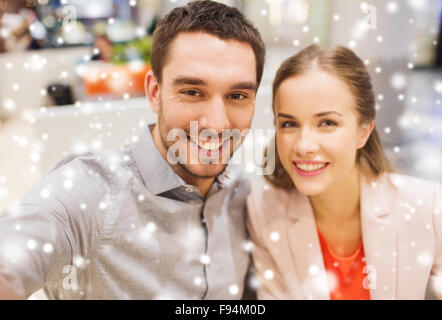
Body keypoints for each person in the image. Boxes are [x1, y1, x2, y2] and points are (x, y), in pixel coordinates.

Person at [0, 0, 265, 299]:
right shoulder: (88, 194)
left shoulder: (240, 191)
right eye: (192, 92)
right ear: (154, 92)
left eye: (238, 95)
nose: (217, 124)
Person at [246, 45, 442, 300]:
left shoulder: (428, 207)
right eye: (289, 124)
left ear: (364, 131)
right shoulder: (263, 212)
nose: (303, 145)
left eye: (327, 123)